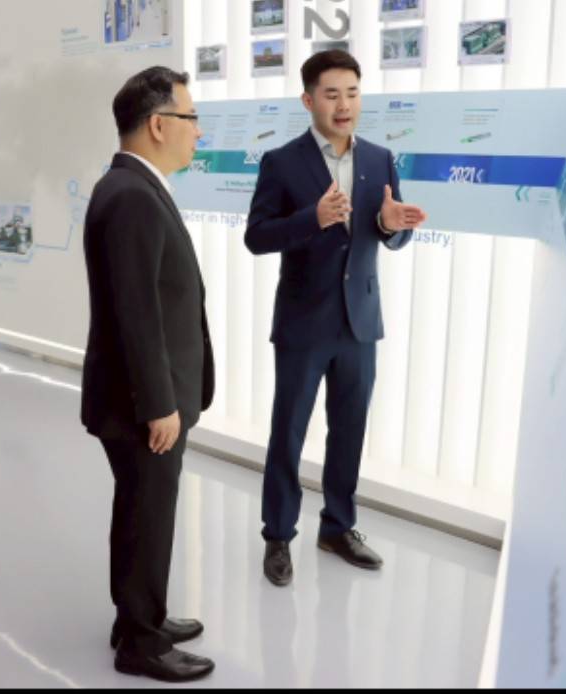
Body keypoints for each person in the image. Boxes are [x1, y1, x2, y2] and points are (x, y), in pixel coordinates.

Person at [244, 51, 427, 586]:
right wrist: (313, 218)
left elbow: (392, 232)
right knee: (289, 433)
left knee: (349, 431)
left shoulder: (381, 158)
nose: (344, 105)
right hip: (304, 323)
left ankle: (338, 527)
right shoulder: (282, 162)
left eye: (352, 93)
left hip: (360, 322)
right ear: (309, 100)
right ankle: (278, 535)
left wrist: (390, 225)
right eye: (332, 94)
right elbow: (257, 237)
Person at [81, 66, 215, 682]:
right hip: (144, 403)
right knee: (148, 514)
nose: (198, 131)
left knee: (141, 509)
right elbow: (136, 314)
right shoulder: (132, 195)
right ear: (159, 124)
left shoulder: (131, 186)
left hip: (141, 395)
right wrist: (160, 404)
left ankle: (139, 616)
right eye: (191, 118)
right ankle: (141, 642)